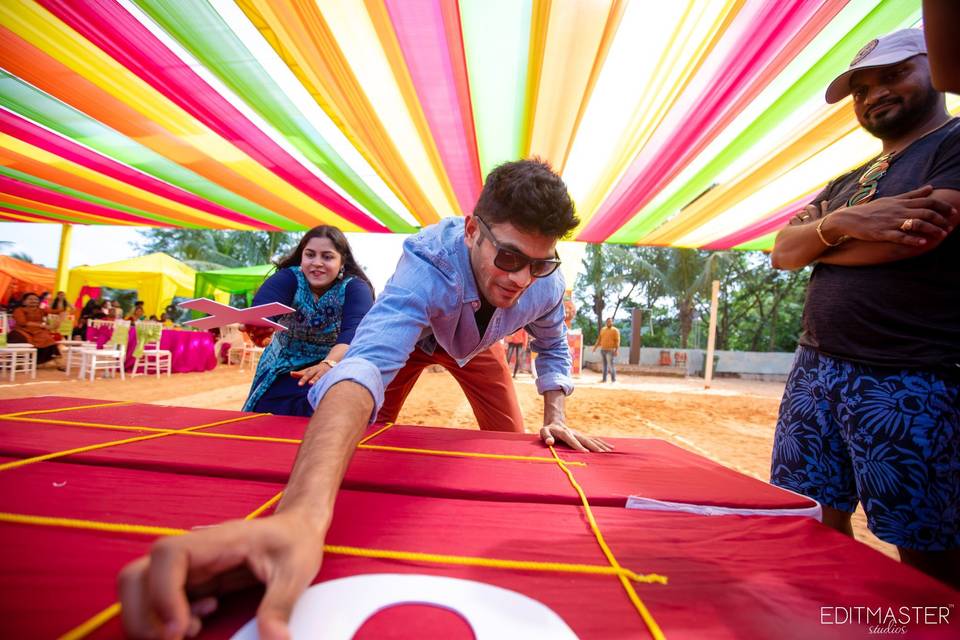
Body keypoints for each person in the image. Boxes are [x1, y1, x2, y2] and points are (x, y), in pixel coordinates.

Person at [118, 159, 613, 639]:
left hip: (484, 351)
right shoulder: (428, 263)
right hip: (419, 341)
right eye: (507, 257)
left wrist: (555, 413)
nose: (521, 279)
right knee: (368, 436)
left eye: (538, 262)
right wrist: (302, 517)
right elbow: (367, 365)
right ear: (470, 231)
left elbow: (551, 343)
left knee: (511, 448)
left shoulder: (547, 285)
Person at [769, 29, 959, 588]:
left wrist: (820, 240)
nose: (874, 95)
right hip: (815, 371)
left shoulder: (953, 145)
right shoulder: (849, 181)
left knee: (927, 549)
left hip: (908, 377)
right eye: (862, 89)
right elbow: (782, 251)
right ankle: (830, 620)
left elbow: (921, 234)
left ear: (936, 69)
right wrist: (841, 222)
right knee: (808, 519)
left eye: (893, 75)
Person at [241, 226, 375, 417]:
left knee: (332, 416)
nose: (317, 263)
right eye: (310, 255)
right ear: (301, 257)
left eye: (327, 257)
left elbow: (354, 331)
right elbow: (264, 309)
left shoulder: (355, 288)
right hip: (281, 367)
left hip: (333, 365)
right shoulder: (289, 278)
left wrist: (328, 364)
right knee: (263, 422)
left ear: (342, 261)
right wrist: (258, 326)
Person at [8, 292, 61, 364]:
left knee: (48, 339)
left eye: (36, 299)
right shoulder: (19, 310)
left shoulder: (41, 310)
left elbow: (58, 311)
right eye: (30, 299)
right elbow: (22, 322)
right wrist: (42, 325)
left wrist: (60, 300)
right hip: (22, 331)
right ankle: (22, 362)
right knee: (23, 339)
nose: (33, 301)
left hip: (38, 331)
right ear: (24, 302)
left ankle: (40, 361)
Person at [593, 317, 620, 383]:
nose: (609, 323)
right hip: (603, 350)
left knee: (611, 365)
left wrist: (616, 350)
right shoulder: (603, 329)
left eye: (610, 321)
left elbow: (617, 341)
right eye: (608, 321)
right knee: (604, 365)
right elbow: (599, 339)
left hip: (611, 350)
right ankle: (604, 379)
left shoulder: (615, 330)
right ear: (606, 322)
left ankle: (613, 380)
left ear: (612, 322)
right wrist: (595, 347)